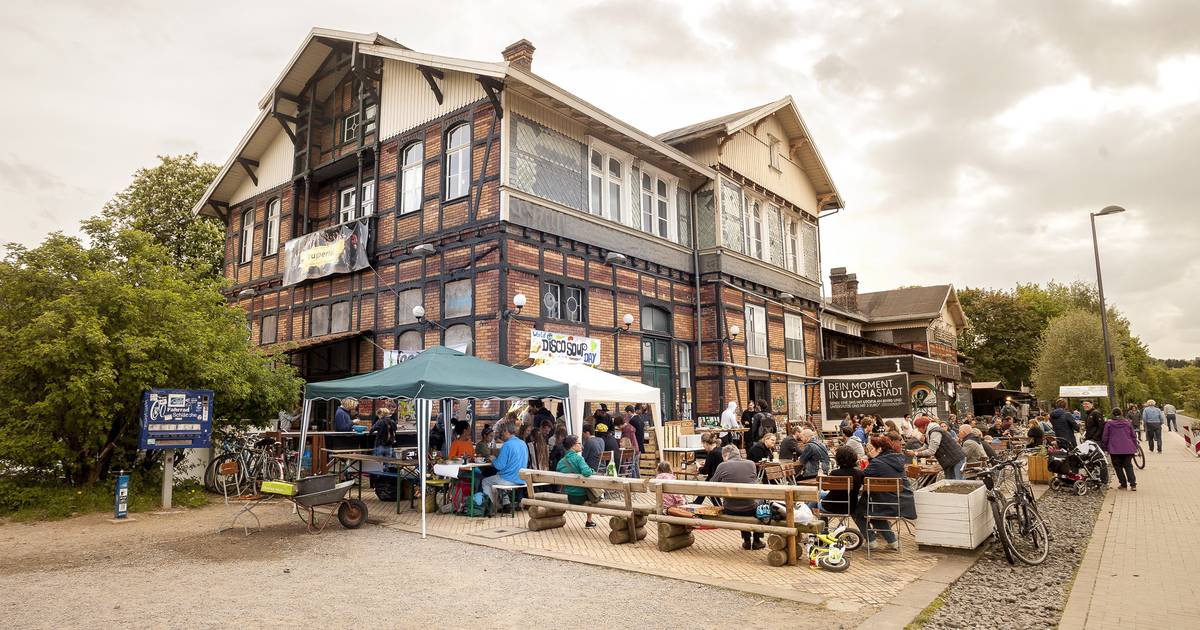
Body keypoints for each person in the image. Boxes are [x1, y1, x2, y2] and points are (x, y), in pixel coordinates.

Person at [856, 432, 916, 551]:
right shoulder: (897, 459)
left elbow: (862, 478)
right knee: (873, 510)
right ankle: (892, 541)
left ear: (879, 449)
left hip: (887, 503)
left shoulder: (877, 463)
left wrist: (869, 458)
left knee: (857, 510)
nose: (869, 451)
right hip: (902, 502)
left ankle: (871, 541)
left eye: (871, 448)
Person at [710, 444, 764, 550]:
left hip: (730, 509)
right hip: (751, 509)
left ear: (726, 455)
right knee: (759, 503)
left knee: (741, 501)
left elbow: (712, 484)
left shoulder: (722, 466)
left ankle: (747, 540)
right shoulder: (751, 464)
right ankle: (757, 540)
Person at [481, 421, 529, 515]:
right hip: (521, 478)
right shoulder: (523, 443)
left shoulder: (507, 445)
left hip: (509, 479)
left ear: (507, 431)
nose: (501, 434)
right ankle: (505, 503)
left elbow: (499, 466)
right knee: (497, 477)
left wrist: (493, 459)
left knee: (485, 481)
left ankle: (491, 507)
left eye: (502, 432)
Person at [555, 435, 598, 528]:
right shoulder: (578, 458)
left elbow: (558, 473)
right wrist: (592, 471)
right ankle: (589, 521)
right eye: (579, 443)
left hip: (569, 494)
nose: (581, 445)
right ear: (573, 446)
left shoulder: (561, 462)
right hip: (580, 496)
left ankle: (589, 521)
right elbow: (586, 472)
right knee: (592, 493)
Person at [819, 445, 863, 518]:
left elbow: (825, 488)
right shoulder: (859, 473)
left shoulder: (834, 473)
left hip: (831, 506)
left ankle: (819, 525)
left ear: (838, 458)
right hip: (851, 507)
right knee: (819, 495)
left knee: (815, 497)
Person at [1101, 408, 1138, 491]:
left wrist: (1105, 447)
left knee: (1118, 466)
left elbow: (1105, 436)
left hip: (1114, 449)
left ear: (1112, 414)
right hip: (1128, 448)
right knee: (1128, 466)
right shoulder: (1127, 423)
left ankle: (1123, 484)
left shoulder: (1109, 424)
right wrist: (1135, 446)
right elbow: (1133, 435)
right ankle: (1133, 484)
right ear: (1121, 413)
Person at [692, 432, 724, 505]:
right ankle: (696, 503)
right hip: (720, 477)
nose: (703, 447)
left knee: (709, 488)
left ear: (706, 443)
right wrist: (707, 462)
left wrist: (699, 467)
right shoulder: (720, 449)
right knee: (706, 485)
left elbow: (705, 471)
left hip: (716, 480)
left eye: (703, 444)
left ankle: (718, 506)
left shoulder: (712, 453)